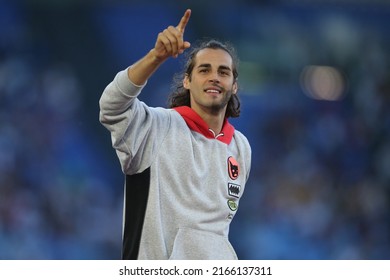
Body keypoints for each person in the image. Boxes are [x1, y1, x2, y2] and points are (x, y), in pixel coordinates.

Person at [99, 9, 251, 260]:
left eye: (223, 72)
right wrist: (156, 56)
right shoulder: (155, 127)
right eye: (204, 70)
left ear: (234, 86)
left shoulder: (241, 147)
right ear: (187, 81)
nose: (214, 77)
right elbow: (111, 106)